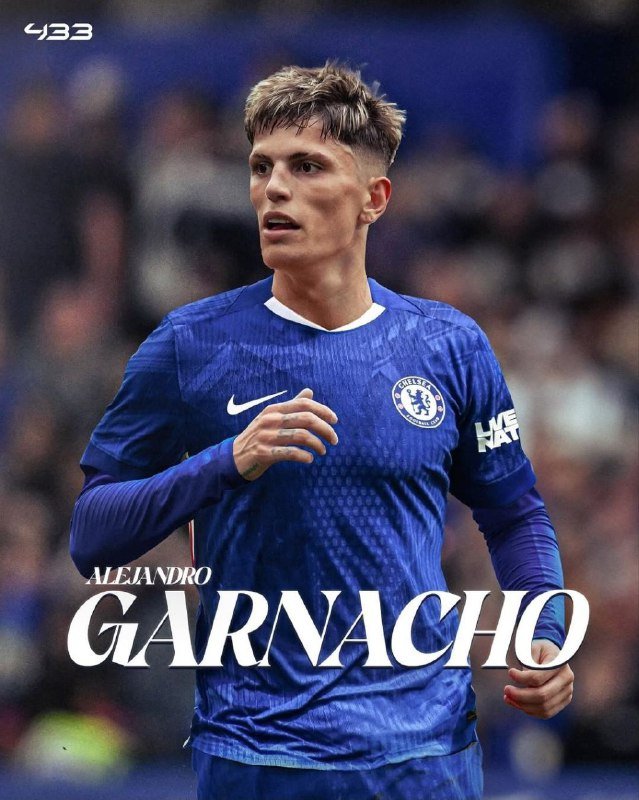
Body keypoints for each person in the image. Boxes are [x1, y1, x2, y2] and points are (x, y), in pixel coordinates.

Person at [70, 63, 574, 800]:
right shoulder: (188, 346)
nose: (274, 189)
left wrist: (545, 633)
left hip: (424, 758)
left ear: (374, 198)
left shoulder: (448, 346)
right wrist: (225, 462)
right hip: (258, 757)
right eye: (261, 167)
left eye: (306, 167)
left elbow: (514, 513)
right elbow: (92, 535)